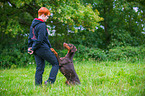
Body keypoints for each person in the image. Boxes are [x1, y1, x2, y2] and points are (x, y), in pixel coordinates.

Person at [28, 7, 59, 86]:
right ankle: (49, 82)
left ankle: (38, 86)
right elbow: (40, 40)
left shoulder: (33, 24)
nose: (47, 17)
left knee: (40, 68)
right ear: (42, 15)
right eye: (47, 16)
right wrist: (33, 48)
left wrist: (30, 47)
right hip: (42, 48)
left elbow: (30, 37)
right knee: (55, 63)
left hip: (36, 50)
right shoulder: (42, 25)